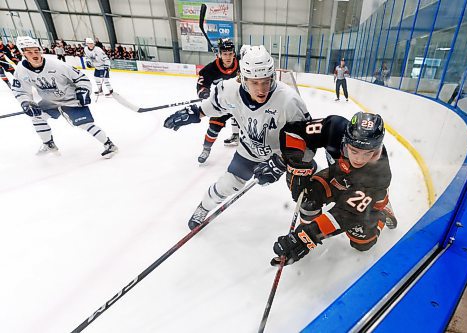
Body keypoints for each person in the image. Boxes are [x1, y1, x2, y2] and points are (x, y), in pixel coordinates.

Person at [164, 45, 311, 230]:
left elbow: (308, 140)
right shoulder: (229, 90)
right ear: (242, 78)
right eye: (254, 82)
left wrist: (283, 160)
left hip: (283, 154)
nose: (261, 89)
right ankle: (204, 207)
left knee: (308, 186)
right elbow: (211, 106)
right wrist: (193, 113)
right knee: (228, 184)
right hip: (249, 150)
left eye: (266, 81)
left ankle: (312, 226)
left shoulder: (289, 100)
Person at [270, 112, 397, 265]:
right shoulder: (334, 127)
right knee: (308, 198)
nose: (359, 159)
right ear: (346, 138)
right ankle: (305, 225)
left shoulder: (379, 175)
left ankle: (380, 213)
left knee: (362, 244)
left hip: (364, 197)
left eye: (369, 153)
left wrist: (306, 237)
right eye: (354, 150)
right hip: (339, 176)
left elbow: (344, 214)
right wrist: (296, 163)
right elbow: (294, 132)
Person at [11, 36, 118, 158]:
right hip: (50, 101)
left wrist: (83, 90)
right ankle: (48, 144)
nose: (34, 54)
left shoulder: (57, 65)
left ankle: (109, 145)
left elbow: (81, 78)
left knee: (84, 124)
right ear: (23, 53)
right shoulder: (21, 70)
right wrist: (25, 102)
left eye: (36, 51)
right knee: (37, 117)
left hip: (70, 99)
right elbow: (20, 90)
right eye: (29, 52)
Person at [196, 38, 240, 164]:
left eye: (230, 53)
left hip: (240, 102)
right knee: (214, 126)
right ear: (220, 54)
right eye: (225, 54)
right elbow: (202, 84)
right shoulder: (211, 69)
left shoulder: (242, 65)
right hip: (223, 103)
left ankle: (239, 138)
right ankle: (206, 149)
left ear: (234, 54)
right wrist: (203, 92)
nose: (228, 57)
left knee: (251, 125)